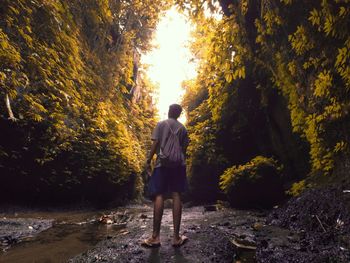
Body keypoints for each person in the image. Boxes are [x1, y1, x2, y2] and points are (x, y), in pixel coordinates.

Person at [141, 104, 189, 248]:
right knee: (176, 195)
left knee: (159, 195)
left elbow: (156, 143)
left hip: (162, 164)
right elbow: (183, 148)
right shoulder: (183, 128)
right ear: (179, 114)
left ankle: (155, 237)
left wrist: (149, 160)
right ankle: (176, 237)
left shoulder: (161, 124)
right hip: (178, 166)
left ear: (169, 112)